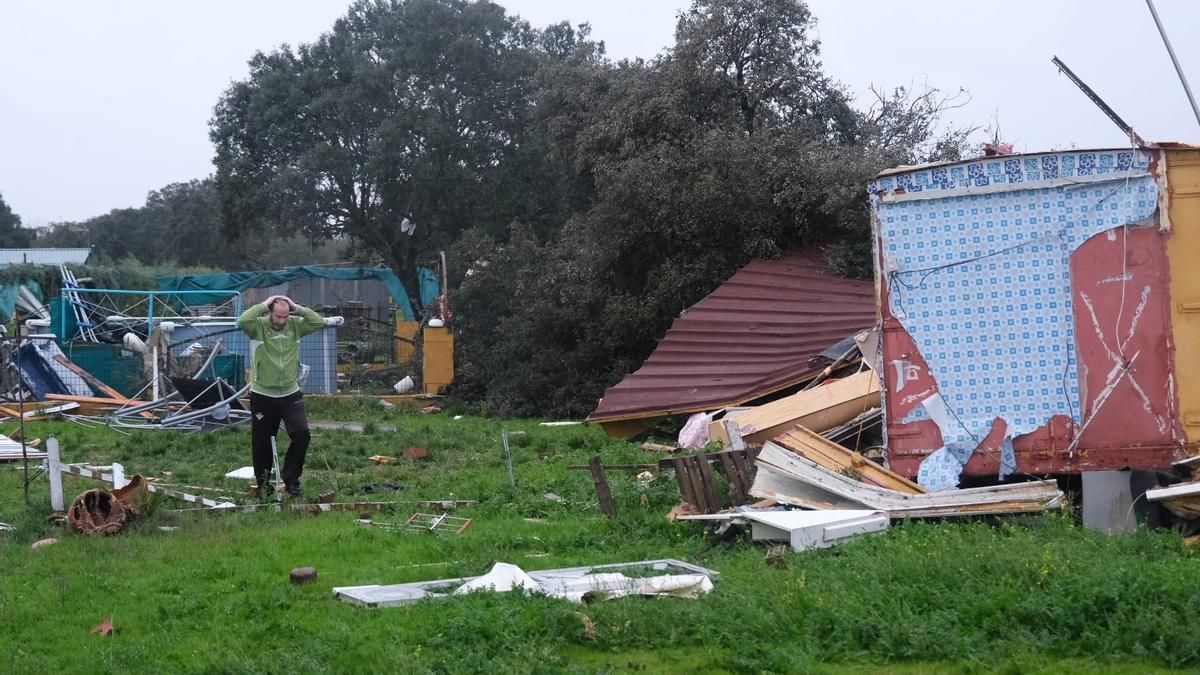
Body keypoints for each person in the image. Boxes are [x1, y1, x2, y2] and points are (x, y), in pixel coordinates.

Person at [237, 294, 325, 498]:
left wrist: (298, 308)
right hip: (262, 394)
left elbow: (317, 321)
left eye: (285, 316)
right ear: (270, 312)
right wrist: (263, 304)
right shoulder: (257, 327)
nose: (281, 321)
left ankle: (291, 480)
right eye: (277, 316)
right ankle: (264, 483)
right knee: (263, 442)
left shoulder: (295, 326)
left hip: (290, 393)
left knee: (302, 434)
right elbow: (242, 320)